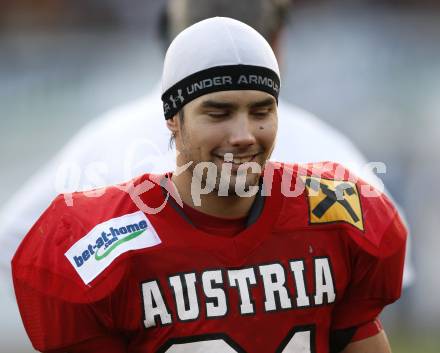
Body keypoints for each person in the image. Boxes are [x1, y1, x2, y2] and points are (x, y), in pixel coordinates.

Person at [13, 17, 406, 353]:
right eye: (218, 112)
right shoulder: (102, 242)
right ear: (173, 119)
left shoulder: (335, 212)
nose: (244, 134)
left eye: (261, 111)